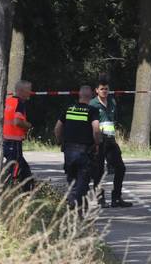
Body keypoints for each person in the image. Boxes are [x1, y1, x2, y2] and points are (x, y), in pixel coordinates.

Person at [54, 85, 100, 210]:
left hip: (68, 149)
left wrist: (59, 141)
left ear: (79, 95)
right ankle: (75, 201)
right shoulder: (92, 110)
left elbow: (57, 128)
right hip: (85, 150)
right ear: (91, 96)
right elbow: (96, 129)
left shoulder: (68, 109)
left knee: (71, 177)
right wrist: (97, 144)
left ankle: (75, 204)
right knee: (83, 179)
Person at [90, 75, 132, 208]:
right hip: (98, 141)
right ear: (96, 90)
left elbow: (113, 121)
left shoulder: (112, 102)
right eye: (102, 89)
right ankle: (100, 199)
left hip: (110, 140)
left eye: (106, 89)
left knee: (120, 168)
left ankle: (116, 198)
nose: (104, 91)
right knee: (99, 170)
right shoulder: (93, 104)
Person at [3, 80, 34, 191]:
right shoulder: (19, 103)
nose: (31, 92)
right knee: (15, 169)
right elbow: (17, 122)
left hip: (5, 140)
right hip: (14, 142)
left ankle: (24, 192)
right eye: (29, 90)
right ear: (21, 91)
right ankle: (9, 190)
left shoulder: (8, 101)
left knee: (22, 170)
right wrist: (29, 125)